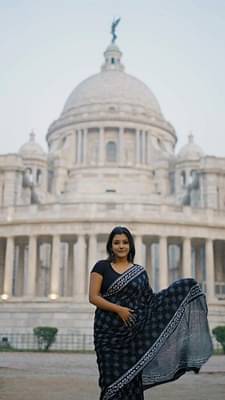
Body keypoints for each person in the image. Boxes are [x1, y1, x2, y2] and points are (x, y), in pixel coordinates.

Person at [89, 226, 213, 400]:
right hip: (107, 334)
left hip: (133, 335)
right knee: (110, 381)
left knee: (132, 381)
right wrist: (120, 310)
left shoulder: (139, 272)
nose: (121, 246)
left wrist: (182, 290)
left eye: (125, 242)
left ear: (130, 246)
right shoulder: (101, 267)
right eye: (116, 242)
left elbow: (150, 302)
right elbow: (93, 297)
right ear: (110, 245)